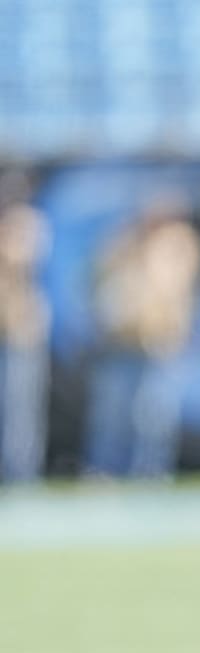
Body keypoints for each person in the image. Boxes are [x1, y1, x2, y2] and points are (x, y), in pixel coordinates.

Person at [83, 197, 200, 478]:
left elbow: (195, 295)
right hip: (120, 342)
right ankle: (105, 472)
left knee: (154, 415)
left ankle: (150, 473)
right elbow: (96, 288)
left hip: (162, 342)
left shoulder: (180, 245)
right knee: (112, 415)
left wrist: (190, 335)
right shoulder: (119, 242)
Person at [0, 169, 52, 483]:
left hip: (22, 331)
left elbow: (21, 257)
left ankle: (22, 475)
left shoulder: (30, 224)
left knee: (21, 410)